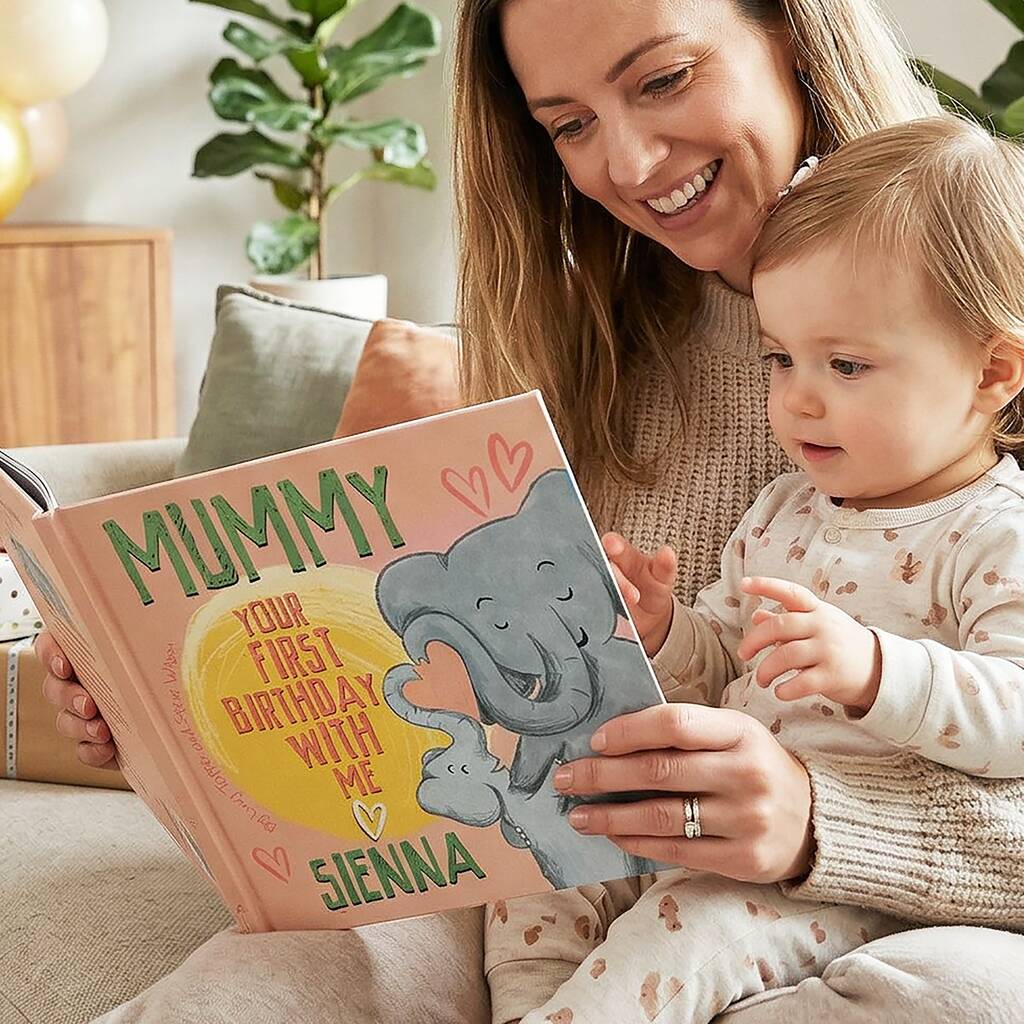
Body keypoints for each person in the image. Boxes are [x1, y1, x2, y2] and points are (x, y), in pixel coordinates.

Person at [39, 1, 1024, 1021]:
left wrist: (819, 820)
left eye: (662, 79)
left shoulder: (984, 296)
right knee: (278, 981)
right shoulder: (576, 335)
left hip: (882, 906)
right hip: (595, 845)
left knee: (954, 1000)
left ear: (790, 29)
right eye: (569, 124)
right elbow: (510, 689)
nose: (628, 163)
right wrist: (162, 711)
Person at [497, 114, 1024, 1024]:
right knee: (545, 843)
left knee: (683, 932)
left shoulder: (994, 535)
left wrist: (876, 671)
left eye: (846, 365)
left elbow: (1016, 713)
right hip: (704, 816)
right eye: (780, 357)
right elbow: (722, 668)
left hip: (835, 882)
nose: (798, 398)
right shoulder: (785, 509)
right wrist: (661, 631)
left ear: (992, 372)